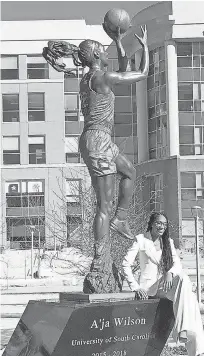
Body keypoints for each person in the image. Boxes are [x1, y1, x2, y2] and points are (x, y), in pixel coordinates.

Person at [43, 25, 149, 269]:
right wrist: (146, 49)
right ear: (97, 55)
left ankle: (120, 219)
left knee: (130, 171)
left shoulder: (90, 78)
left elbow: (122, 70)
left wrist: (119, 41)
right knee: (104, 205)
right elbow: (140, 74)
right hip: (98, 141)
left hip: (101, 140)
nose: (107, 52)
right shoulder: (102, 78)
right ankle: (100, 258)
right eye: (104, 49)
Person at [121, 212, 204, 356]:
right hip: (149, 288)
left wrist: (169, 272)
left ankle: (196, 348)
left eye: (164, 224)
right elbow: (125, 264)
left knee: (189, 294)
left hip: (164, 285)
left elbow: (177, 264)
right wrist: (135, 287)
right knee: (186, 285)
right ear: (152, 223)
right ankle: (185, 336)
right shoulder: (141, 240)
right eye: (159, 223)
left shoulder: (167, 242)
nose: (162, 226)